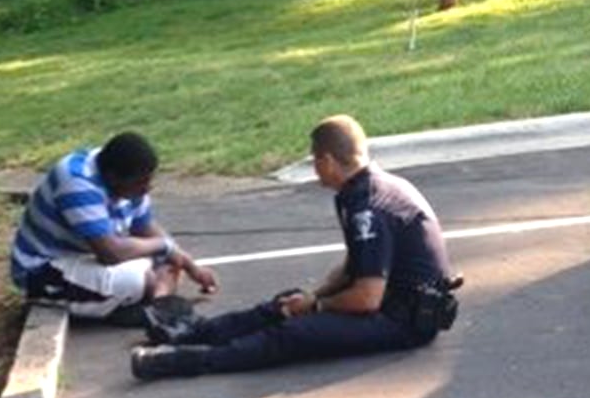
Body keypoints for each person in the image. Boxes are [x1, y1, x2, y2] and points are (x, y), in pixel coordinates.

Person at [131, 115, 461, 380]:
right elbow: (356, 264)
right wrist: (312, 296)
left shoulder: (367, 206)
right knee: (284, 305)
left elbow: (366, 297)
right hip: (388, 302)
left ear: (329, 160)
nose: (314, 167)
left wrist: (315, 307)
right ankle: (192, 334)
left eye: (315, 160)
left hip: (403, 321)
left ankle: (184, 361)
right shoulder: (369, 188)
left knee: (294, 333)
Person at [10, 132, 218, 321]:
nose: (147, 188)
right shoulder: (77, 183)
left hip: (84, 256)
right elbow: (111, 253)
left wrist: (190, 265)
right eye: (140, 183)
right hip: (44, 269)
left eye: (149, 180)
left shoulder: (123, 174)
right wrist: (165, 247)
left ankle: (155, 306)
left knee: (169, 263)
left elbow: (144, 226)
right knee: (140, 279)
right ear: (112, 177)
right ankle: (145, 305)